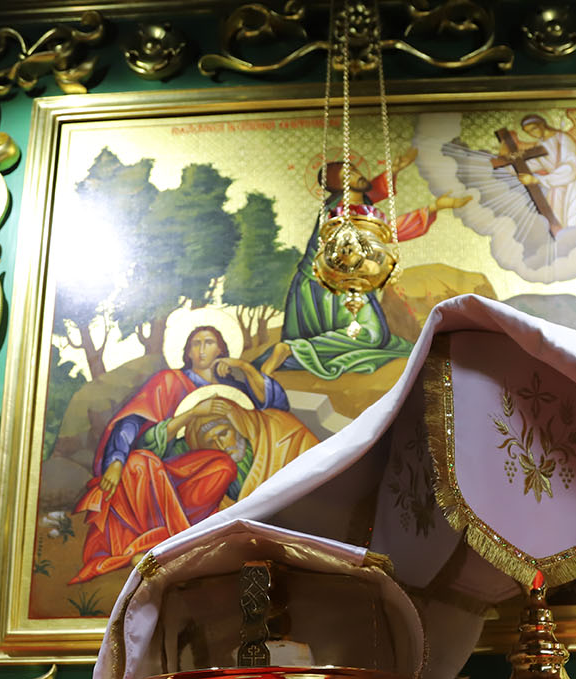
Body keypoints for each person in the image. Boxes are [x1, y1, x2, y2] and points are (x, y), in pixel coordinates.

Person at [68, 325, 291, 582]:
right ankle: (160, 545)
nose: (202, 349)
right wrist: (117, 459)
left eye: (209, 342)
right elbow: (132, 421)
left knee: (223, 466)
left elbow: (275, 406)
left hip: (199, 478)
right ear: (187, 352)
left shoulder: (233, 384)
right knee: (139, 462)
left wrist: (244, 367)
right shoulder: (169, 381)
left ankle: (179, 538)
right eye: (195, 343)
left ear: (221, 349)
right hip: (166, 470)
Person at [279, 152, 470, 380]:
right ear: (339, 187)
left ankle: (301, 348)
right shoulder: (339, 212)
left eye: (354, 170)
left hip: (351, 280)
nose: (358, 175)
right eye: (348, 175)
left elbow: (375, 199)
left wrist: (397, 170)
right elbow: (387, 230)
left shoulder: (362, 204)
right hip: (326, 288)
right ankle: (295, 349)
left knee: (379, 336)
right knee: (371, 335)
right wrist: (434, 207)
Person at [185, 395, 319, 505]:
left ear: (238, 424)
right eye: (211, 442)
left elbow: (317, 467)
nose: (220, 446)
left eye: (224, 434)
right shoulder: (214, 475)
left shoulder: (282, 429)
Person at [520, 114, 576, 229]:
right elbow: (530, 165)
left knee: (575, 222)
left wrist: (537, 180)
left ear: (542, 125)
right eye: (528, 132)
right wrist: (513, 160)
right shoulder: (539, 146)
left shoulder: (563, 139)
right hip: (557, 188)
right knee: (556, 224)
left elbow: (570, 168)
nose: (533, 134)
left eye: (534, 129)